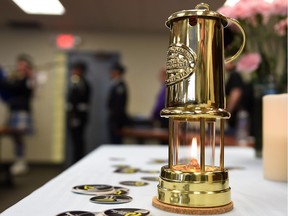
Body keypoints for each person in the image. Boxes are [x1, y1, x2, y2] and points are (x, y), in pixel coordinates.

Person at [0, 54, 35, 175]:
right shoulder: (17, 78)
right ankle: (19, 161)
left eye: (23, 65)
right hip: (14, 110)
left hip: (21, 111)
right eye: (19, 64)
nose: (20, 67)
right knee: (15, 137)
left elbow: (13, 86)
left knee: (18, 136)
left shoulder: (27, 79)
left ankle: (21, 162)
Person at [66, 62, 91, 163]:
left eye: (76, 70)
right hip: (75, 115)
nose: (73, 72)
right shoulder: (77, 81)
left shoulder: (80, 82)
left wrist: (74, 116)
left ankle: (77, 160)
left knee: (78, 140)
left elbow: (75, 99)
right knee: (76, 140)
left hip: (77, 116)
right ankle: (76, 159)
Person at [107, 62, 129, 144]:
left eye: (112, 71)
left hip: (117, 120)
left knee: (116, 142)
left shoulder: (120, 85)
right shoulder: (115, 84)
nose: (111, 73)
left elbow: (119, 105)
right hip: (113, 119)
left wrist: (116, 122)